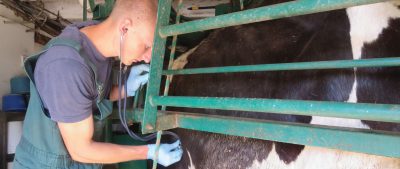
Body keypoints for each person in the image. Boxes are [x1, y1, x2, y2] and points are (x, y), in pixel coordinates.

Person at [13, 0, 182, 168]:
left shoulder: (98, 46)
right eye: (146, 45)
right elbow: (81, 150)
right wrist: (148, 152)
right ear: (124, 28)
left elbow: (92, 96)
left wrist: (125, 89)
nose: (148, 57)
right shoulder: (67, 66)